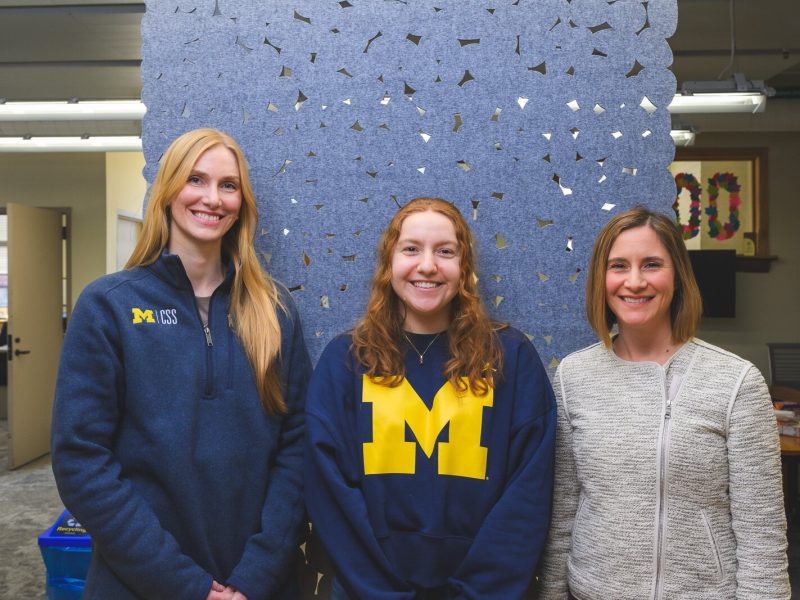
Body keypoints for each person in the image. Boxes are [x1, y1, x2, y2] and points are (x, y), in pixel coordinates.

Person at [51, 128, 311, 600]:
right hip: (141, 584)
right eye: (196, 179)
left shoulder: (274, 311)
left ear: (242, 201)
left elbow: (298, 451)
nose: (213, 198)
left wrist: (255, 576)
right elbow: (82, 461)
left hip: (259, 585)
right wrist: (186, 586)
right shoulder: (109, 306)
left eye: (228, 185)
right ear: (168, 189)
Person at [305, 197, 556, 599]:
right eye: (411, 249)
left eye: (445, 251)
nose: (427, 265)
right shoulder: (346, 362)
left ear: (464, 269)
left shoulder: (511, 359)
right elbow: (329, 495)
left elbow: (527, 498)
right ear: (388, 264)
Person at [539, 206, 790, 599]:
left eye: (652, 264)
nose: (634, 282)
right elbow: (563, 514)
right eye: (619, 266)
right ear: (601, 279)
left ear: (677, 277)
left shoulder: (736, 382)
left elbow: (763, 535)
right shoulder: (573, 376)